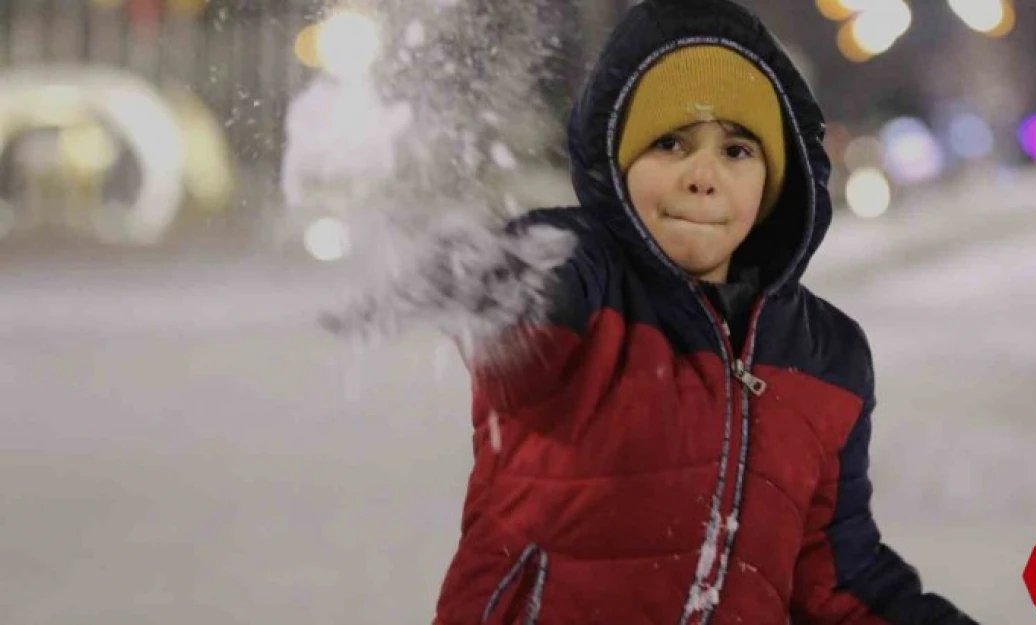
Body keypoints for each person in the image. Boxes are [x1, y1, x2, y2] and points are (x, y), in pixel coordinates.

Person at [325, 0, 978, 623]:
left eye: (737, 149)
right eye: (670, 142)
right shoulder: (590, 281)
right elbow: (540, 289)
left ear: (774, 180)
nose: (702, 173)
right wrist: (497, 281)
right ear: (621, 160)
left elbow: (839, 580)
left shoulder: (825, 356)